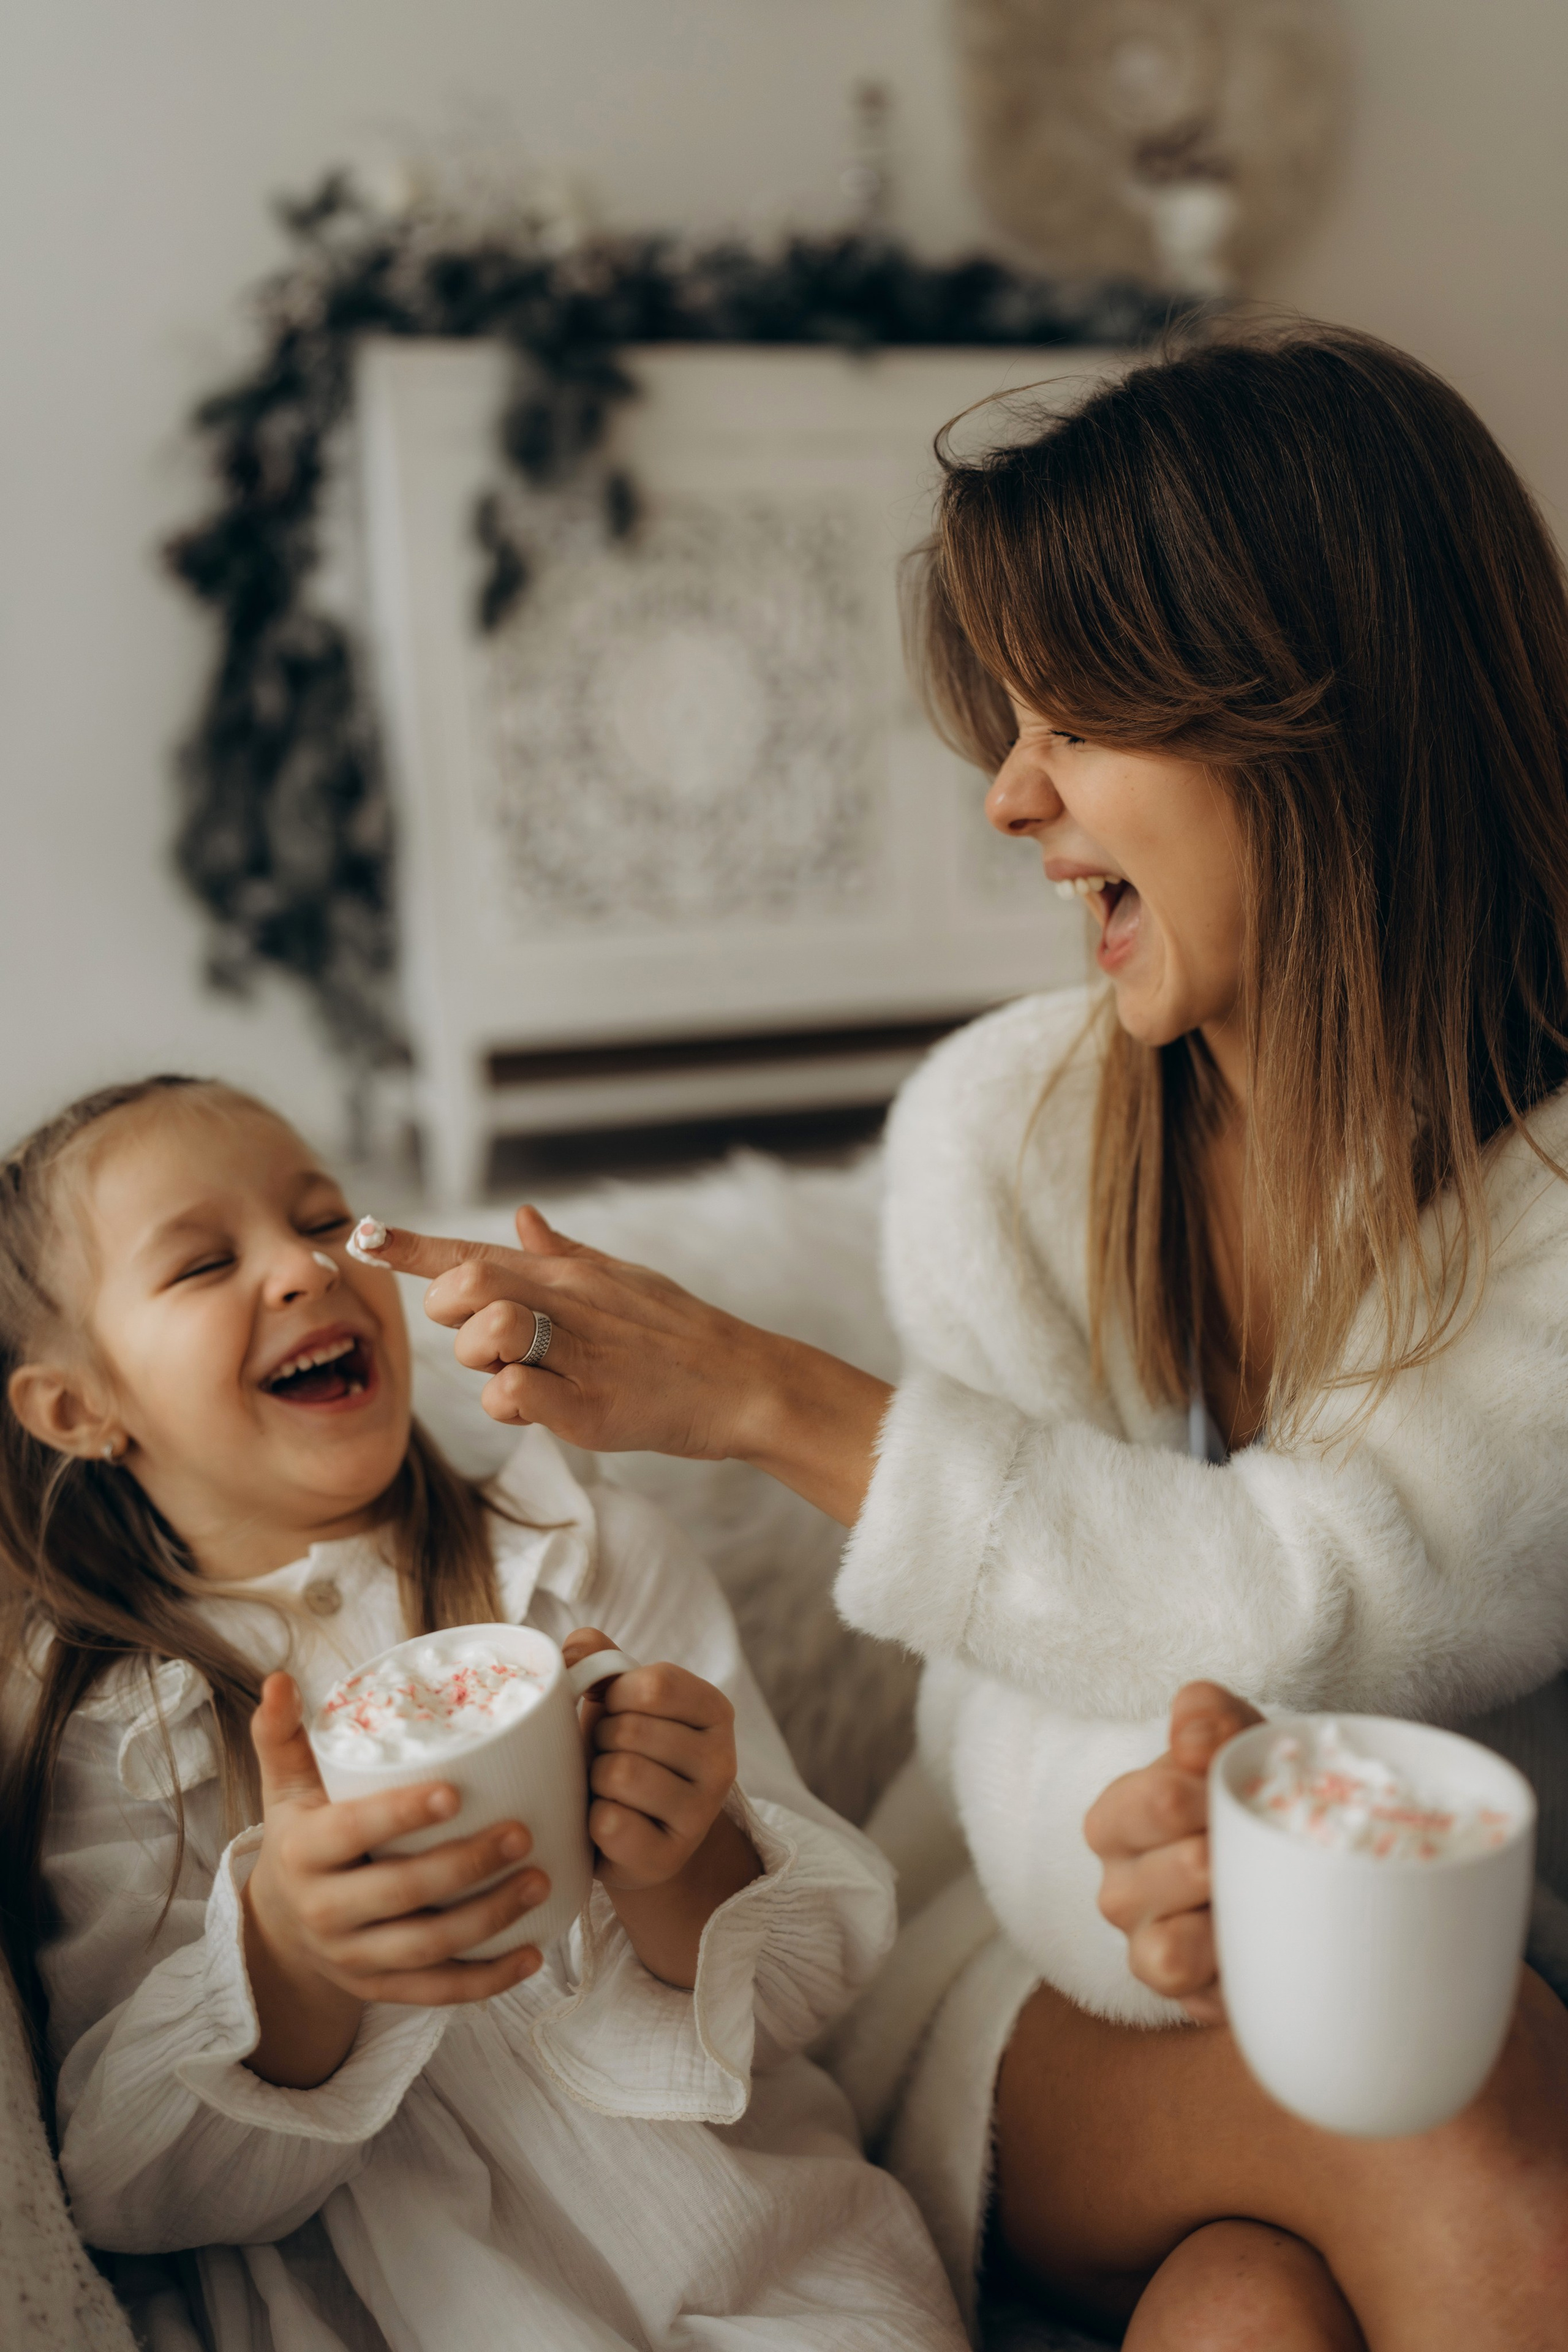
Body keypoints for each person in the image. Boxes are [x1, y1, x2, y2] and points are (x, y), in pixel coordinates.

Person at [367, 323, 1568, 2349]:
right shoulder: (1005, 1130)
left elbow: (1341, 1597)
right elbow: (987, 1705)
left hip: (1477, 1962)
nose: (1012, 797)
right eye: (1009, 727)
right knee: (1464, 2134)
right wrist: (1146, 1874)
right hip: (1041, 1977)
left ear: (1325, 722)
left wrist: (771, 1399)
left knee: (1247, 2311)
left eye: (1074, 719)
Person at [0, 1076, 966, 2352]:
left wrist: (684, 1861)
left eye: (323, 1220)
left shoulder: (583, 1559)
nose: (305, 1268)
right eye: (203, 1264)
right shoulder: (111, 1720)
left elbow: (806, 2001)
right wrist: (291, 1963)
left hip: (773, 2286)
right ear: (79, 1409)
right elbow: (132, 2190)